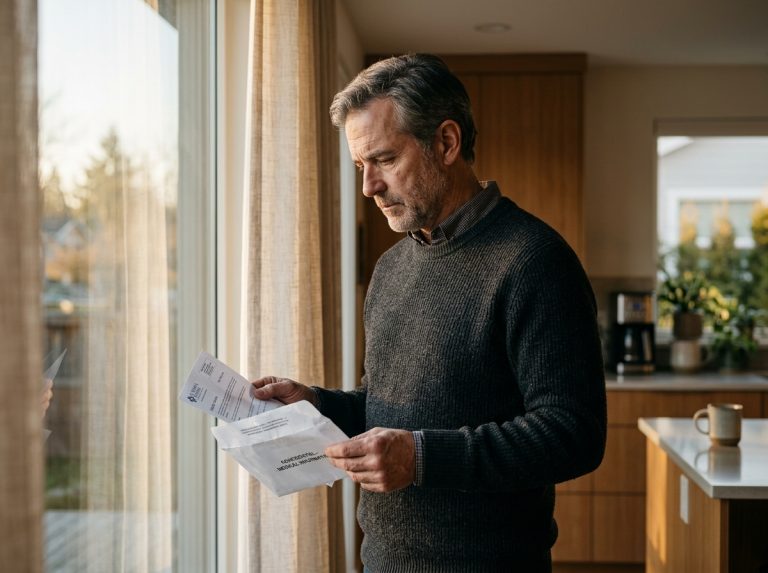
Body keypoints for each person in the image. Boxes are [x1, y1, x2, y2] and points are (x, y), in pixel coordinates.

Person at [252, 53, 607, 573]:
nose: (369, 186)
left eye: (385, 160)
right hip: (382, 562)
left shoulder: (535, 261)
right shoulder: (391, 268)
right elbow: (386, 406)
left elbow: (574, 434)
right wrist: (317, 405)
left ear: (446, 143)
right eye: (360, 166)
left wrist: (421, 458)